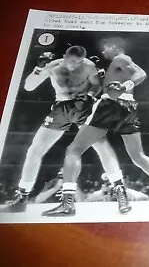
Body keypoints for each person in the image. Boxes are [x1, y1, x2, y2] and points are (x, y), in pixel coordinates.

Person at [42, 37, 149, 217]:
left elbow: (140, 74)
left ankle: (67, 204)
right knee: (138, 156)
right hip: (129, 108)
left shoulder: (121, 59)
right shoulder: (115, 65)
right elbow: (113, 83)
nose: (103, 51)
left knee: (74, 150)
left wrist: (125, 85)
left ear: (115, 47)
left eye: (106, 47)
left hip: (111, 106)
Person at [1, 46, 121, 213]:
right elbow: (29, 87)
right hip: (61, 108)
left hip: (83, 108)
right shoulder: (53, 66)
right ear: (64, 56)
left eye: (78, 62)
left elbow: (96, 85)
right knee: (35, 150)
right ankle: (22, 197)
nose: (75, 65)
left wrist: (90, 96)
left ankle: (120, 192)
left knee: (102, 146)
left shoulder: (88, 65)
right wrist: (39, 68)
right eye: (72, 61)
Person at [85, 173, 149, 202]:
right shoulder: (96, 196)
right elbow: (86, 202)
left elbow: (145, 198)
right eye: (108, 182)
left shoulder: (132, 194)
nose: (112, 185)